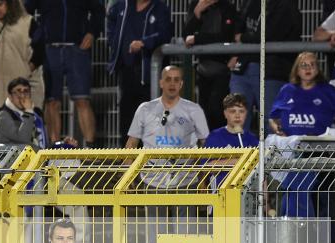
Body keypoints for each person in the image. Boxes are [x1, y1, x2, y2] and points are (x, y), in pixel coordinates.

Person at [269, 52, 335, 219]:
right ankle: (292, 227)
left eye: (312, 65)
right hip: (290, 150)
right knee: (291, 188)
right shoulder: (287, 90)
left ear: (318, 69)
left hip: (319, 151)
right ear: (297, 70)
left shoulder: (328, 91)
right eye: (304, 65)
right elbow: (272, 118)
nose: (308, 68)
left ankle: (319, 238)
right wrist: (277, 129)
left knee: (316, 196)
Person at [34, 0, 103, 146]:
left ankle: (91, 151)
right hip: (49, 49)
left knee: (82, 100)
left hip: (77, 49)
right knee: (51, 102)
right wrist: (38, 36)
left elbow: (99, 10)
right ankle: (53, 149)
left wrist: (92, 32)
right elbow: (25, 12)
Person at [230, 0, 302, 132]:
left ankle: (273, 153)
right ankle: (240, 152)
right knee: (237, 120)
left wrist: (244, 38)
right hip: (243, 67)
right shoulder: (250, 3)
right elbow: (237, 28)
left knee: (271, 121)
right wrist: (235, 52)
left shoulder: (286, 5)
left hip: (271, 71)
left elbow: (271, 34)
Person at [106, 0, 173, 143]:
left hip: (150, 73)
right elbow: (111, 22)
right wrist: (114, 41)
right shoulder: (122, 5)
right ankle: (127, 159)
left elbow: (165, 34)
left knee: (151, 118)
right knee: (127, 117)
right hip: (127, 71)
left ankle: (149, 159)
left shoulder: (160, 8)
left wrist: (144, 43)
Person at [184, 0, 242, 130]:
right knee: (204, 114)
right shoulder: (196, 6)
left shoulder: (228, 8)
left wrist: (197, 39)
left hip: (223, 68)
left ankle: (222, 145)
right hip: (203, 69)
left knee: (217, 109)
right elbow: (186, 36)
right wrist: (197, 14)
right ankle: (209, 147)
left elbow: (225, 37)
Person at [0, 0, 46, 110]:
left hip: (25, 89)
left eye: (0, 4)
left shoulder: (28, 23)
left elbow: (40, 50)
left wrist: (27, 70)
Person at [126, 65, 209, 149]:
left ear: (181, 84)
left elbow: (206, 143)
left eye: (176, 80)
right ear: (161, 83)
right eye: (168, 79)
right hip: (151, 162)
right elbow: (131, 143)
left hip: (185, 162)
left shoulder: (194, 110)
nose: (172, 84)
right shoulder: (145, 109)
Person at [0, 77, 48, 148]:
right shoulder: (4, 115)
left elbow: (43, 142)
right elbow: (23, 139)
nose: (22, 96)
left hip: (38, 157)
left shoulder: (37, 113)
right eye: (18, 91)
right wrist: (28, 112)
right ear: (10, 96)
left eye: (26, 91)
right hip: (13, 158)